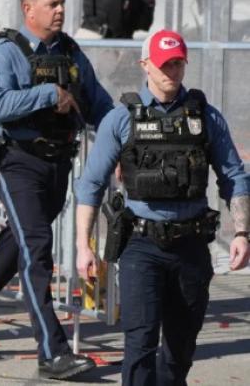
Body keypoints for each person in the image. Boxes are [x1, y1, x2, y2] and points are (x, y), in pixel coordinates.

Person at [0, 0, 113, 380]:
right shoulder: (7, 52)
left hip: (57, 166)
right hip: (17, 163)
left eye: (61, 4)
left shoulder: (70, 53)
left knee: (14, 249)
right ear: (28, 10)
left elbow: (99, 105)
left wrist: (119, 142)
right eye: (51, 4)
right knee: (36, 249)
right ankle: (52, 352)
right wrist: (48, 94)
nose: (59, 10)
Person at [74, 29, 250, 386]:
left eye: (177, 63)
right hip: (142, 245)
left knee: (180, 348)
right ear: (145, 65)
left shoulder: (205, 117)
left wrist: (242, 232)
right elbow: (91, 184)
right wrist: (82, 246)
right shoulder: (122, 118)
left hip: (191, 246)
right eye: (164, 64)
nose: (171, 71)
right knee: (139, 343)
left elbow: (233, 175)